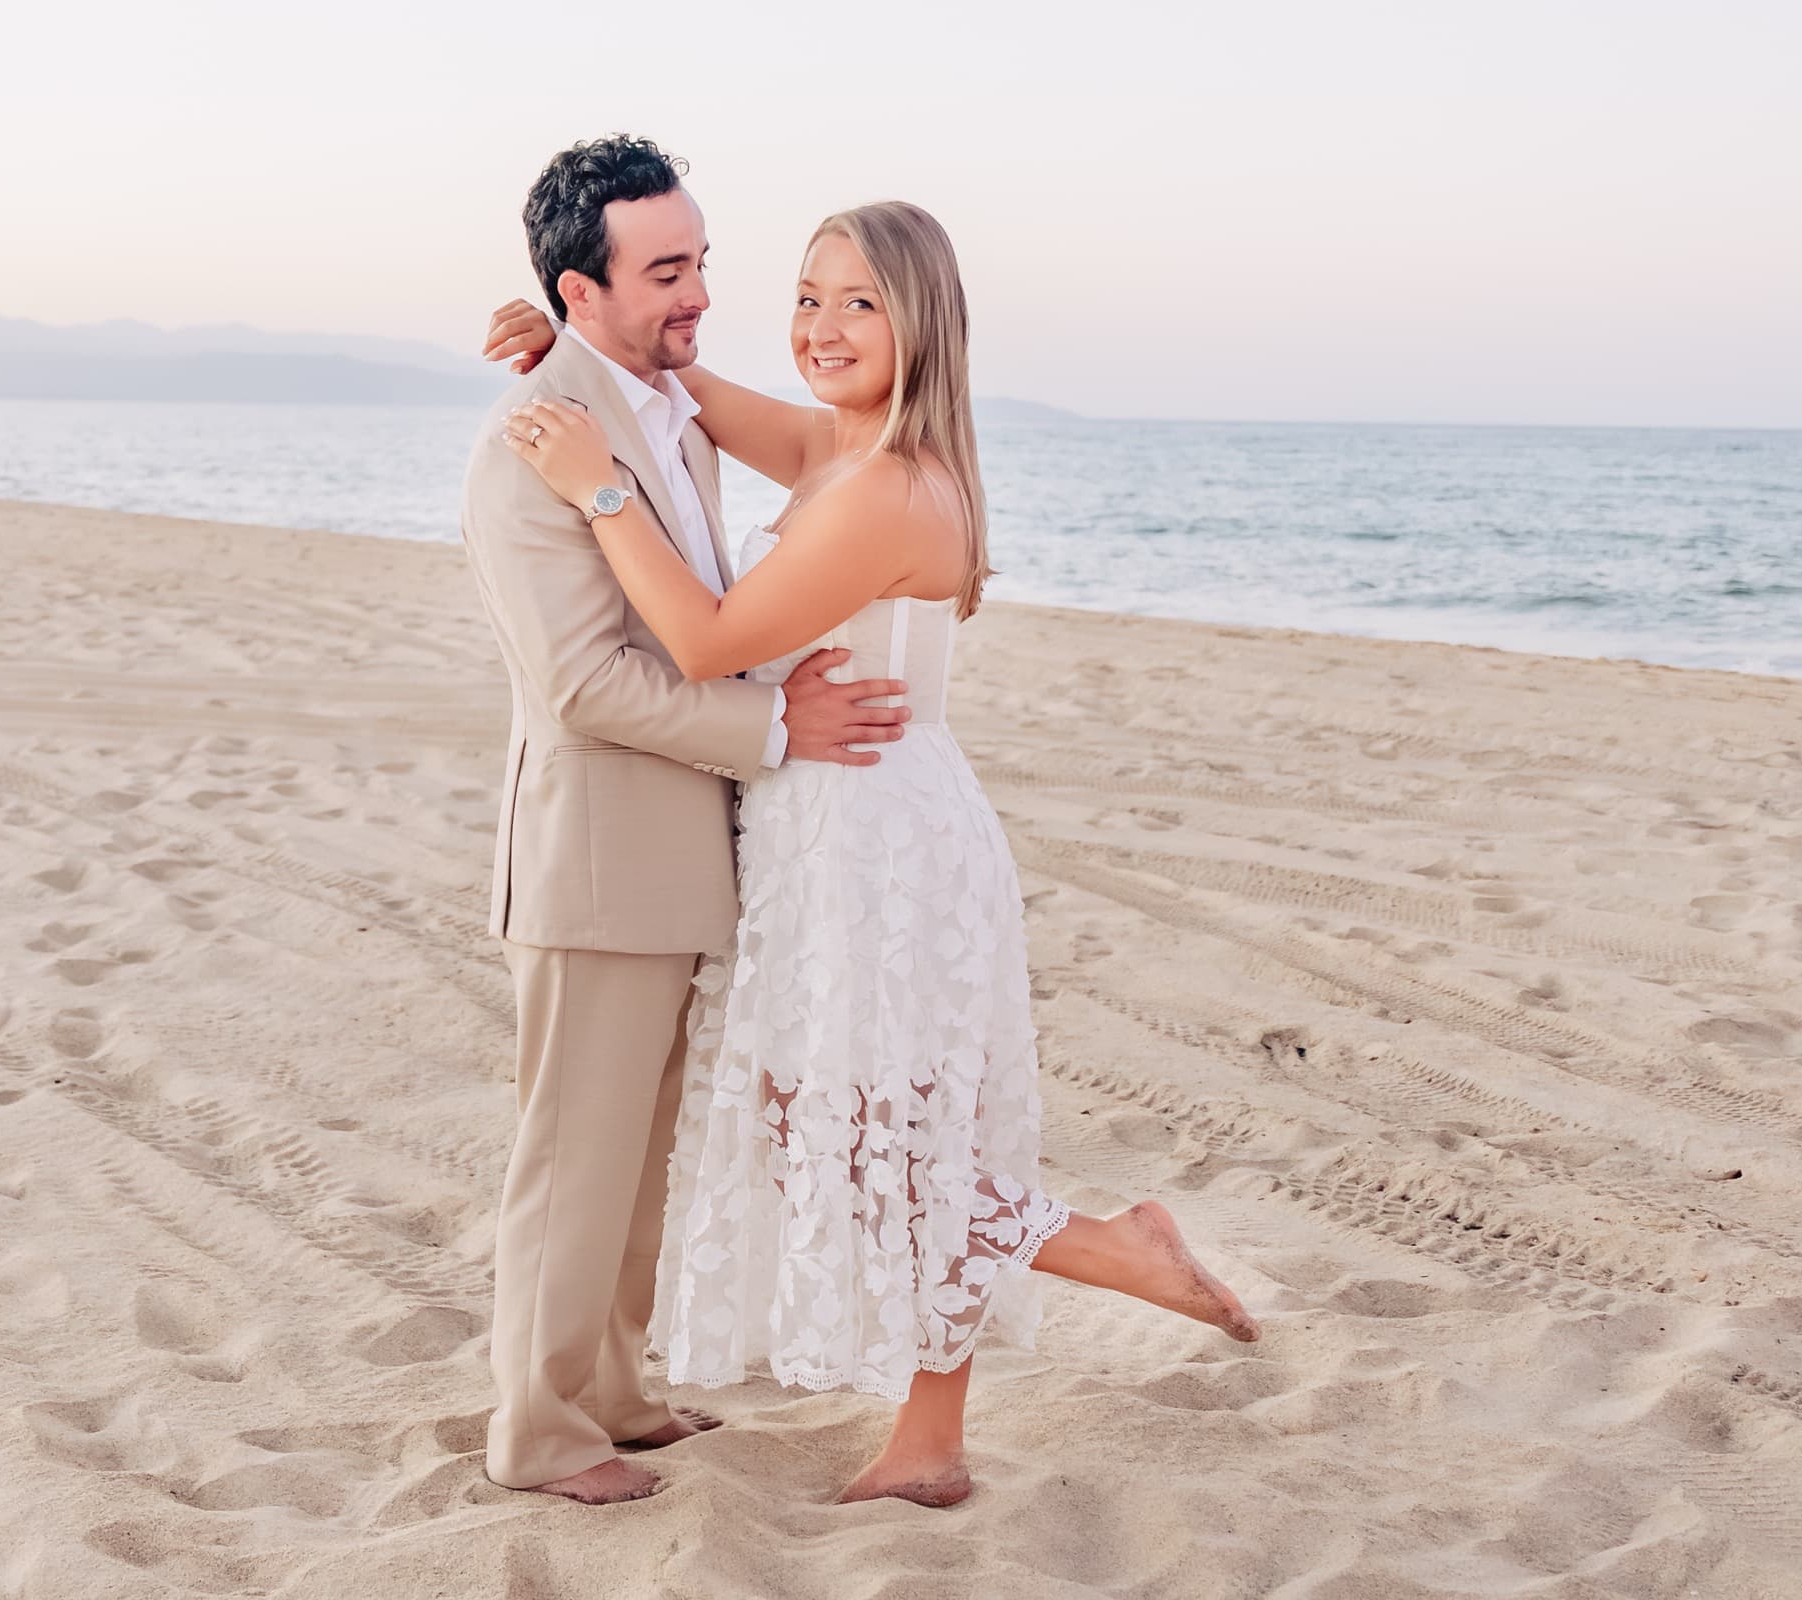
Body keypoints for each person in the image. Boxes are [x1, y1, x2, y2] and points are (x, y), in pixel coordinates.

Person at [488, 187, 1262, 1508]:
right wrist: (578, 330)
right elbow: (692, 385)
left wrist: (597, 483)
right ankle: (961, 1403)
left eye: (860, 302)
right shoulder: (836, 450)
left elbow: (708, 645)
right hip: (820, 832)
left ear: (926, 324)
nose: (823, 324)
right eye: (805, 295)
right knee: (849, 1138)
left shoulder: (886, 488)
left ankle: (1092, 1284)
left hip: (875, 848)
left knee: (882, 1142)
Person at [457, 134, 917, 1506]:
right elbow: (586, 682)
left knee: (638, 1153)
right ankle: (536, 1434)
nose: (697, 294)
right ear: (579, 290)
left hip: (672, 858)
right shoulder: (532, 448)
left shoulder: (653, 407)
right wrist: (778, 730)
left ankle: (611, 1392)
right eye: (665, 272)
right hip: (595, 858)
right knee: (572, 1159)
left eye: (702, 261)